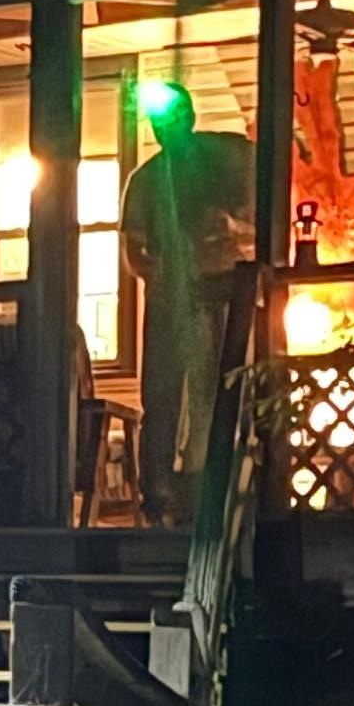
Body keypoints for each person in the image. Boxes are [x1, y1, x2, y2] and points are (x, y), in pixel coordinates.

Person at [117, 80, 255, 524]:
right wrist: (164, 277)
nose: (165, 129)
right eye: (158, 122)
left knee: (224, 390)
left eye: (172, 118)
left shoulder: (229, 160)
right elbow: (135, 249)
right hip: (172, 300)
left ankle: (223, 487)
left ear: (191, 117)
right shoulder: (147, 179)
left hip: (228, 293)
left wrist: (229, 233)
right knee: (162, 396)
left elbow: (262, 224)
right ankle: (158, 495)